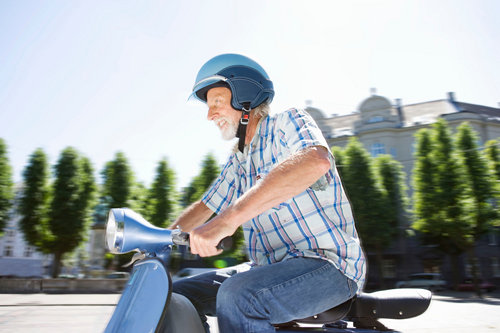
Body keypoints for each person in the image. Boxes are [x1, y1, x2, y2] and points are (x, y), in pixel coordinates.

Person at [170, 53, 366, 333]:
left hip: (331, 266)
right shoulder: (238, 158)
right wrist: (158, 240)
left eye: (216, 102)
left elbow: (315, 160)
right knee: (176, 295)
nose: (209, 115)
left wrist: (226, 222)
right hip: (267, 268)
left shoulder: (288, 123)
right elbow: (206, 206)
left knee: (239, 296)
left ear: (244, 98)